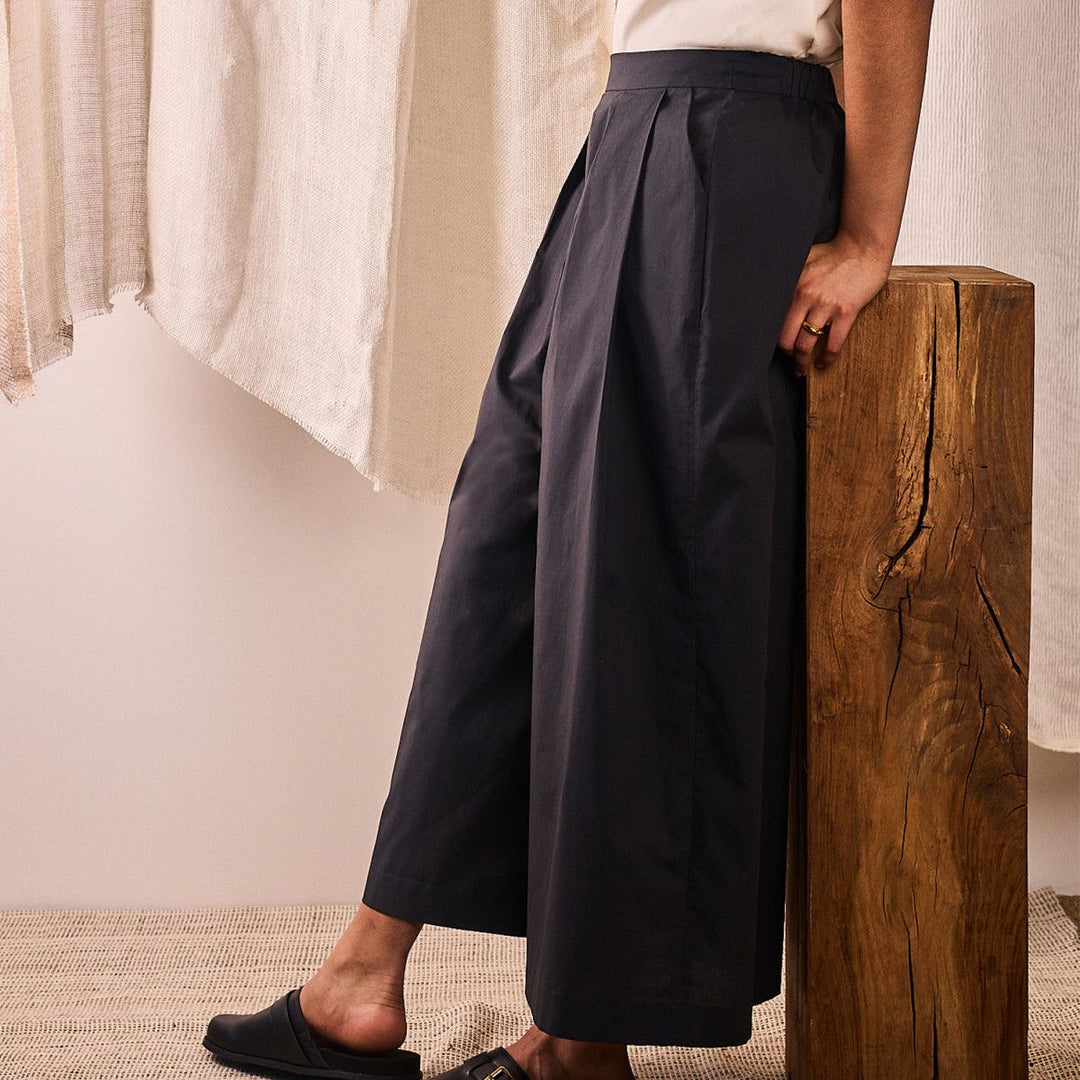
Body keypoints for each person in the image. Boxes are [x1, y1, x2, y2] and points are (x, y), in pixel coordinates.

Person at [201, 1, 935, 1078]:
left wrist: (869, 235)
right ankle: (365, 969)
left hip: (734, 136)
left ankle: (577, 1040)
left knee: (642, 573)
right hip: (636, 125)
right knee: (508, 535)